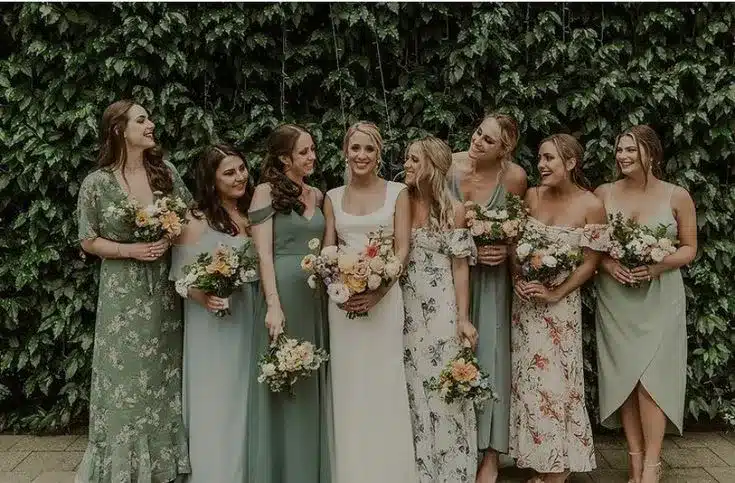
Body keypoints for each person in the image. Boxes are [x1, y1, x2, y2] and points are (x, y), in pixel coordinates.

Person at [75, 99, 192, 483]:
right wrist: (131, 250)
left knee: (163, 375)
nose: (151, 124)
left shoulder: (166, 173)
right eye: (142, 120)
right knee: (124, 379)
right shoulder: (96, 184)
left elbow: (190, 218)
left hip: (163, 289)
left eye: (149, 118)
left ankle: (163, 465)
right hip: (123, 295)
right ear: (118, 130)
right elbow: (88, 240)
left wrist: (172, 232)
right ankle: (121, 468)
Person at [594, 125, 697, 483]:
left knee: (651, 380)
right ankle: (634, 461)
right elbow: (592, 248)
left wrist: (656, 265)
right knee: (626, 379)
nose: (622, 156)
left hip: (660, 297)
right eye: (619, 150)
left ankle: (652, 465)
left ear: (650, 154)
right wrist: (609, 265)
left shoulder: (677, 196)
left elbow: (689, 249)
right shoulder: (603, 193)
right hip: (617, 298)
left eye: (630, 150)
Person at [323, 121, 417, 482]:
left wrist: (379, 290)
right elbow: (329, 248)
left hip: (385, 299)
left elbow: (403, 247)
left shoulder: (398, 192)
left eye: (369, 149)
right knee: (348, 385)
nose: (361, 155)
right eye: (355, 148)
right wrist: (339, 284)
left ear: (379, 154)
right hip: (343, 304)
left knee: (383, 381)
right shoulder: (332, 196)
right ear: (345, 151)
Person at [509, 134, 606, 482]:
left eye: (549, 158)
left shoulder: (591, 205)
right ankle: (539, 460)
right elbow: (513, 244)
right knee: (529, 383)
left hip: (560, 311)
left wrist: (556, 293)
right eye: (539, 158)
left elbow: (590, 263)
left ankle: (560, 466)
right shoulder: (531, 196)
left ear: (570, 163)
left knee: (557, 385)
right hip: (525, 308)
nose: (541, 165)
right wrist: (517, 277)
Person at [246, 124, 332, 483]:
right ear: (284, 158)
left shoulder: (320, 194)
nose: (312, 157)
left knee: (311, 377)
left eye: (313, 150)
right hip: (282, 295)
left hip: (316, 298)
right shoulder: (265, 193)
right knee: (281, 378)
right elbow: (263, 254)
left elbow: (329, 249)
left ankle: (308, 469)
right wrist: (273, 304)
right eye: (303, 152)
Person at [169, 144, 260, 482]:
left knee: (248, 400)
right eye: (229, 173)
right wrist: (203, 296)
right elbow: (179, 277)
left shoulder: (254, 213)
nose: (240, 178)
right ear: (211, 179)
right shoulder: (194, 220)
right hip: (212, 326)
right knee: (217, 401)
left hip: (249, 316)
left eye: (242, 169)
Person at [448, 113, 527, 483]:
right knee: (450, 352)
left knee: (491, 356)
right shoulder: (448, 166)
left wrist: (505, 247)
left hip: (492, 281)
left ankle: (491, 454)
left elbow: (520, 232)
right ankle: (452, 442)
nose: (477, 141)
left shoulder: (514, 178)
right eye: (478, 132)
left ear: (505, 149)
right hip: (448, 275)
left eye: (489, 140)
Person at [401, 136, 479, 482]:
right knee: (411, 389)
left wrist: (463, 318)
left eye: (414, 160)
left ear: (432, 165)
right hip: (403, 310)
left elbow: (460, 267)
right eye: (406, 158)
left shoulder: (453, 209)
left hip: (440, 311)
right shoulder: (400, 202)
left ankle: (452, 472)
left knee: (442, 389)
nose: (406, 164)